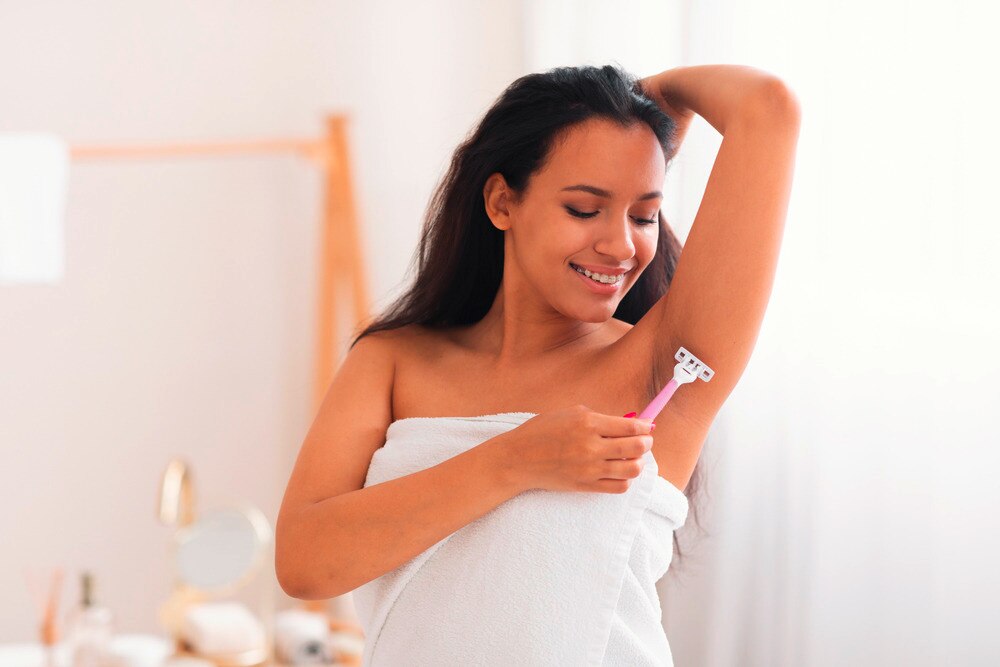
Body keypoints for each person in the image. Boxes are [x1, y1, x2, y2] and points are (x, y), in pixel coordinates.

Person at [276, 63, 801, 664]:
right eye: (584, 209)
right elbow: (305, 563)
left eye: (643, 215)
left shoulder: (664, 367)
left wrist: (647, 102)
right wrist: (515, 459)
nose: (621, 246)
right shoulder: (392, 362)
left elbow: (768, 108)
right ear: (503, 202)